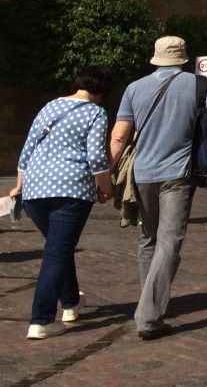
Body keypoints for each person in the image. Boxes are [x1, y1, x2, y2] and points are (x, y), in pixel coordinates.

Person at [109, 36, 207, 341]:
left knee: (148, 237)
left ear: (156, 58)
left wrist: (105, 176)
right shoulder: (199, 85)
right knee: (170, 240)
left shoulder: (134, 88)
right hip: (178, 174)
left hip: (143, 173)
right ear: (182, 58)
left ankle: (148, 302)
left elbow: (119, 137)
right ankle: (149, 316)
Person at [10, 66, 114, 340]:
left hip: (35, 189)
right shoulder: (95, 113)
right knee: (56, 253)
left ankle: (70, 302)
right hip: (71, 190)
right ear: (102, 90)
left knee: (59, 247)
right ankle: (41, 319)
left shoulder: (50, 106)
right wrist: (107, 188)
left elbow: (28, 148)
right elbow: (97, 158)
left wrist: (20, 185)